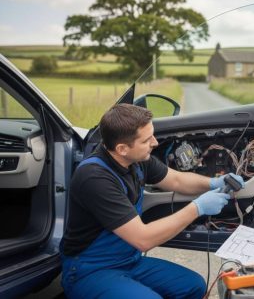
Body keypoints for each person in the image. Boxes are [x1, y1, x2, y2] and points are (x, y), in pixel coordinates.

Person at [60, 103, 244, 299]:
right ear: (122, 148)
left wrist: (214, 183)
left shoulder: (137, 160)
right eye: (147, 140)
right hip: (90, 270)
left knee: (194, 286)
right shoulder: (94, 177)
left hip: (128, 261)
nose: (155, 142)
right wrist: (197, 208)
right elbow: (143, 239)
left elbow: (177, 180)